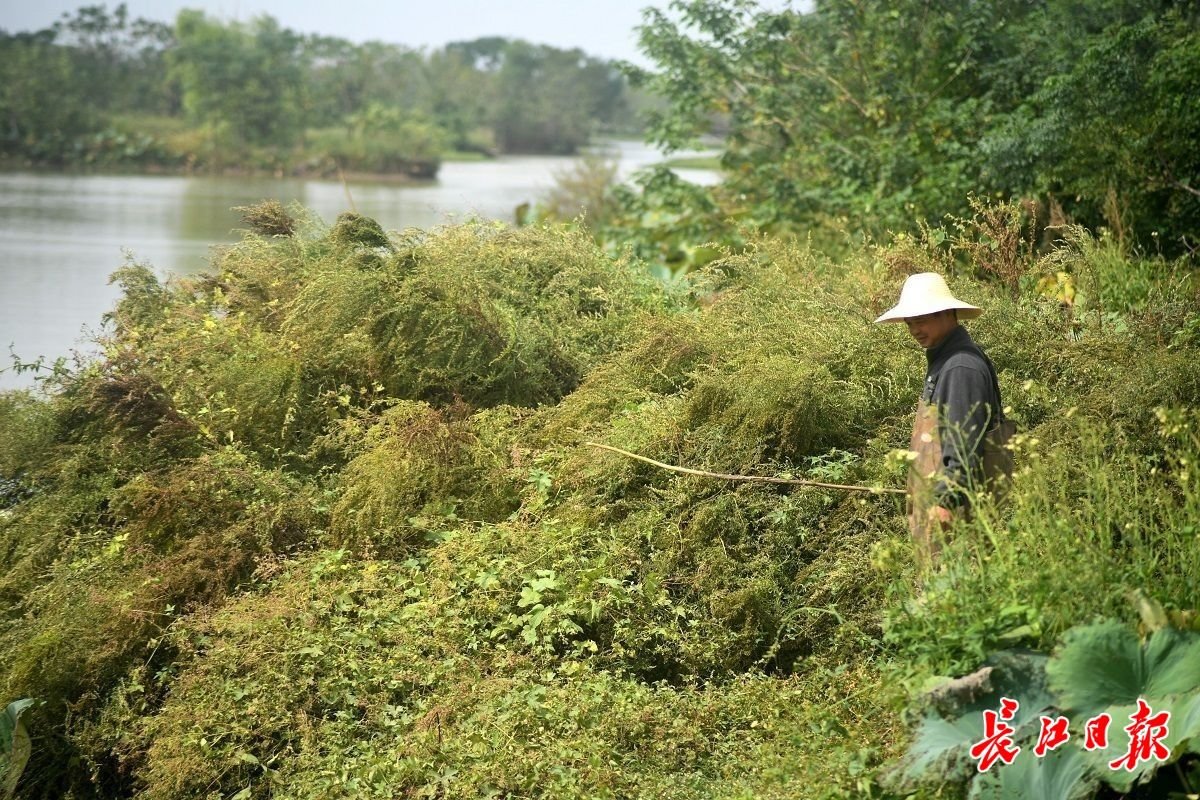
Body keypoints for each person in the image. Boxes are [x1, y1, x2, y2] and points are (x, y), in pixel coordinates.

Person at [875, 272, 1013, 567]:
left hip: (958, 518)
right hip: (948, 514)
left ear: (948, 314)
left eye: (921, 319)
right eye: (909, 322)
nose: (914, 329)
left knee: (956, 594)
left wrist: (946, 502)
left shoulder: (960, 367)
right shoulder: (945, 361)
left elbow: (963, 446)